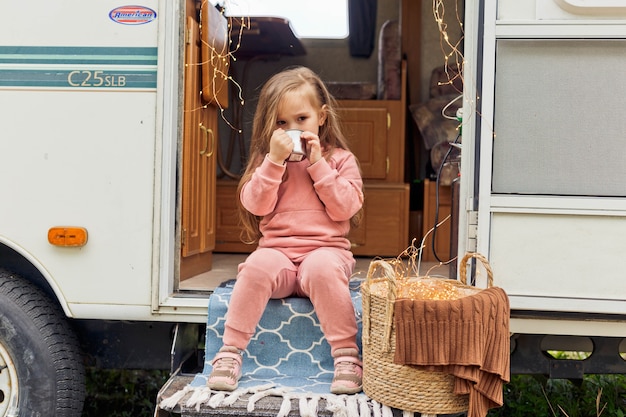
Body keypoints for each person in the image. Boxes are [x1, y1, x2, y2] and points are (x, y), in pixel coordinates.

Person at [207, 66, 364, 395]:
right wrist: (274, 163)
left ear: (321, 117)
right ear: (269, 125)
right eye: (281, 123)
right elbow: (256, 204)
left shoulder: (339, 160)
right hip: (278, 254)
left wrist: (318, 164)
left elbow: (345, 207)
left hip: (325, 254)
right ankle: (230, 352)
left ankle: (347, 356)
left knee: (321, 269)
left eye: (301, 119)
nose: (292, 129)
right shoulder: (268, 161)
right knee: (255, 268)